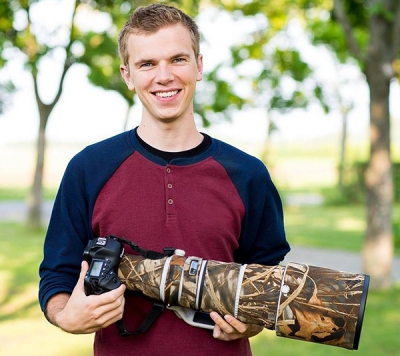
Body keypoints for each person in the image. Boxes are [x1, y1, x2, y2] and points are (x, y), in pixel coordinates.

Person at [38, 3, 290, 356]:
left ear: (198, 66)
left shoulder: (248, 174)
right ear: (128, 75)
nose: (164, 76)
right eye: (147, 64)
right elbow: (57, 273)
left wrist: (253, 319)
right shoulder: (89, 168)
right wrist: (66, 316)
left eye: (177, 59)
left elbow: (269, 277)